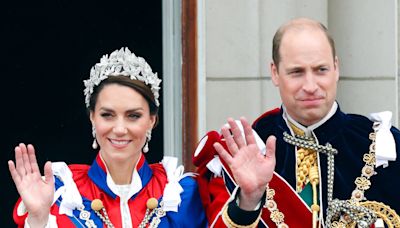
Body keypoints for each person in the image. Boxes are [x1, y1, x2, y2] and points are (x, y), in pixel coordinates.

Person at [193, 18, 400, 227]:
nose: (310, 86)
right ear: (275, 72)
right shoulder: (246, 151)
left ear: (336, 67)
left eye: (321, 69)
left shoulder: (384, 147)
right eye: (297, 72)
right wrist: (248, 200)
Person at [9, 47, 207, 228]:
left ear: (151, 121)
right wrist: (38, 220)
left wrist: (240, 196)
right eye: (107, 115)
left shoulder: (181, 194)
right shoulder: (60, 195)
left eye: (133, 116)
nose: (120, 129)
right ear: (92, 118)